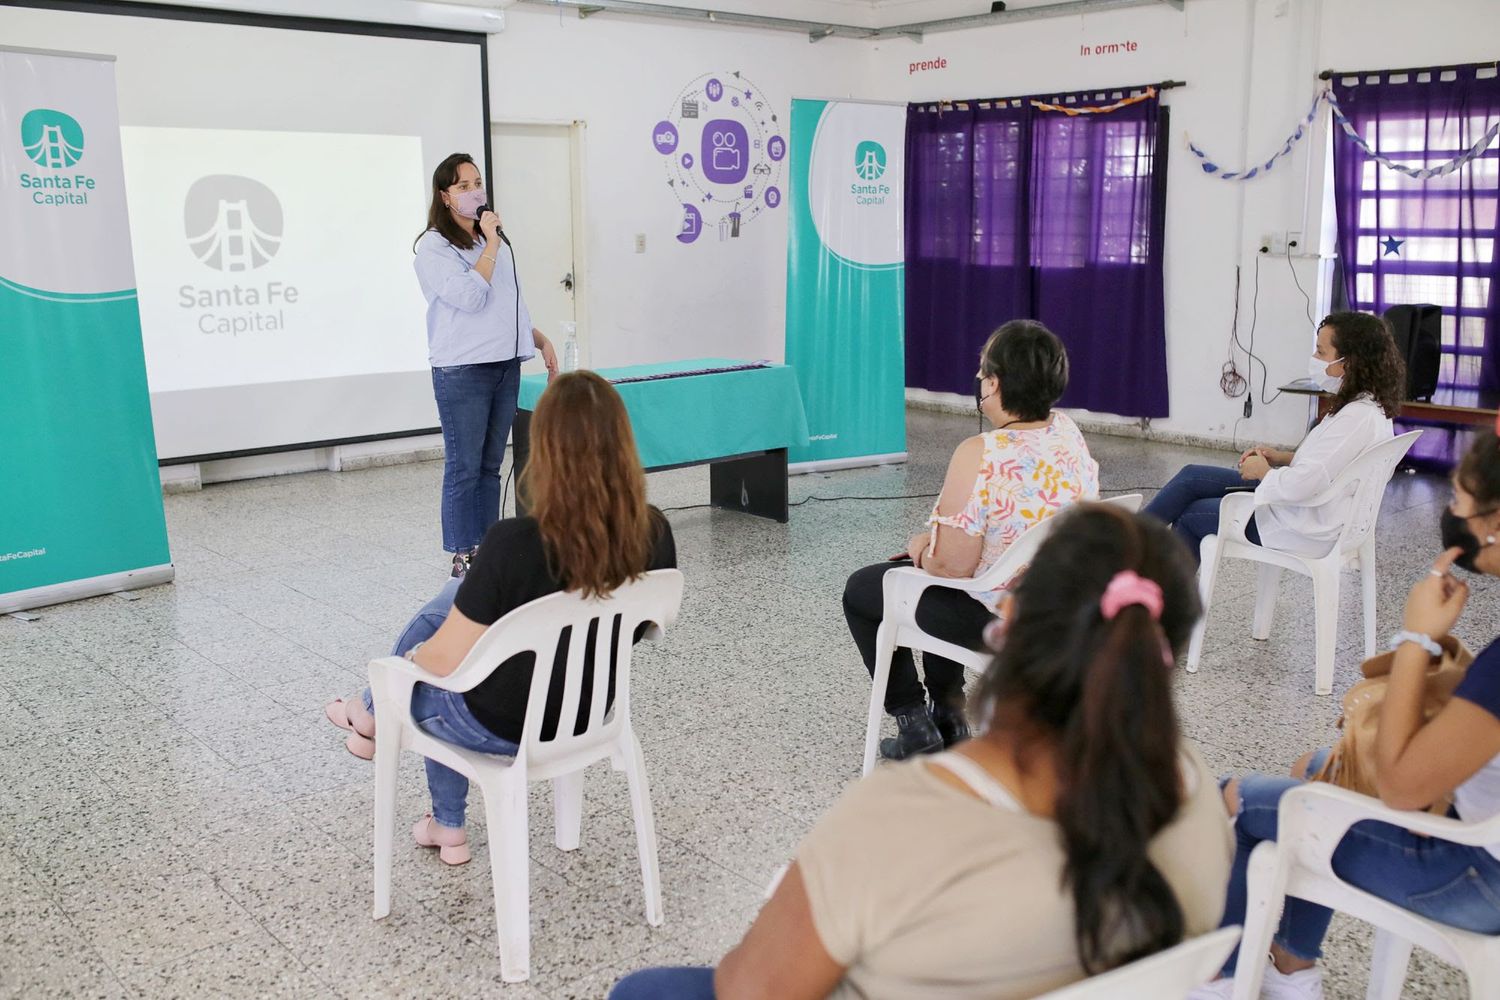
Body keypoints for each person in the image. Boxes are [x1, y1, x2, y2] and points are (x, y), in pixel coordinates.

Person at [612, 505, 1234, 1000]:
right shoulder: (1195, 792)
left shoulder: (904, 816)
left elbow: (750, 990)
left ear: (1007, 620)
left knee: (645, 989)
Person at [1191, 428, 1500, 1000]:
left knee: (1231, 801)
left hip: (1476, 880)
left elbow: (1402, 786)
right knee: (1322, 768)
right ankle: (1291, 969)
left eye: (1457, 502)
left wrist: (1416, 639)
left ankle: (1219, 980)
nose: (1450, 514)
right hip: (1482, 841)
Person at [324, 372, 676, 864]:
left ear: (545, 450)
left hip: (498, 725)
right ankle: (417, 788)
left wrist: (410, 660)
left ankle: (394, 747)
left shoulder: (513, 545)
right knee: (450, 599)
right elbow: (643, 628)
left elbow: (441, 665)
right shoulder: (656, 533)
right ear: (622, 442)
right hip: (588, 715)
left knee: (415, 669)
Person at [842, 320, 1098, 760]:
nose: (979, 381)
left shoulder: (982, 451)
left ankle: (913, 722)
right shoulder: (1067, 432)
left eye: (983, 373)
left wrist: (923, 547)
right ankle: (950, 715)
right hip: (1061, 611)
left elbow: (951, 567)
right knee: (953, 579)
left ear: (995, 383)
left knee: (864, 589)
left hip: (1003, 624)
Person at [1144, 311, 1404, 562]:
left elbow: (1303, 483)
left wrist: (1264, 472)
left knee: (1191, 515)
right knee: (1192, 476)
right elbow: (1332, 465)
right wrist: (1282, 458)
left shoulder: (1356, 418)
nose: (1314, 357)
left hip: (1303, 525)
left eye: (1321, 352)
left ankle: (1149, 579)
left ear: (1347, 364)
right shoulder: (1368, 407)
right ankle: (1127, 539)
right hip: (1310, 507)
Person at [415, 152, 559, 578]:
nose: (474, 191)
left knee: (491, 463)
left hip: (504, 364)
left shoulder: (485, 241)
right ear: (444, 196)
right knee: (464, 465)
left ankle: (487, 548)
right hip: (463, 369)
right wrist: (492, 243)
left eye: (477, 182)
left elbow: (504, 303)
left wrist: (538, 337)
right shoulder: (434, 247)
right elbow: (470, 297)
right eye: (463, 186)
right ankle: (462, 556)